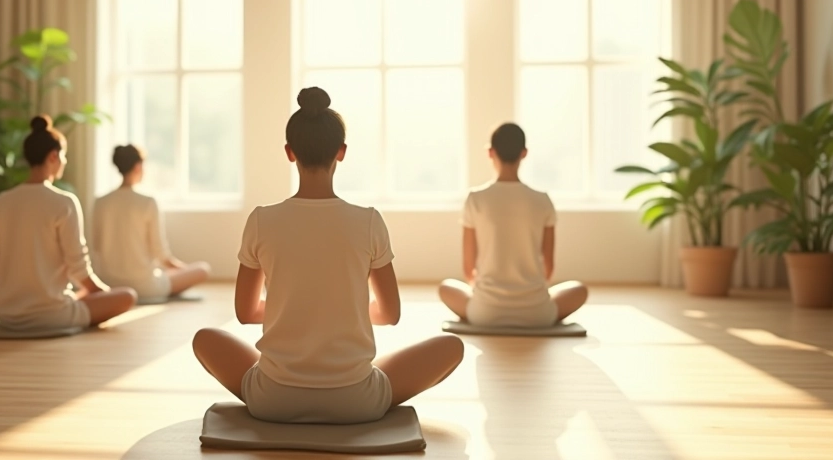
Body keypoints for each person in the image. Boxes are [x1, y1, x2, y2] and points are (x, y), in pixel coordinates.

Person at [192, 87, 464, 425]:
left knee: (205, 339)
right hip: (357, 401)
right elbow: (390, 313)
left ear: (290, 153)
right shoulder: (368, 221)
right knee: (451, 347)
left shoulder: (262, 220)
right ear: (342, 152)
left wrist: (292, 312)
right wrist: (343, 313)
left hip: (272, 399)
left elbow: (246, 313)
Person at [0, 115, 137, 330]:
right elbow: (79, 269)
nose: (65, 162)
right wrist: (106, 294)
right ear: (53, 157)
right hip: (52, 315)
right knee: (127, 296)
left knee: (81, 296)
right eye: (64, 156)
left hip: (7, 314)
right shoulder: (63, 202)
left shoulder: (2, 201)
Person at [438, 123, 588, 327]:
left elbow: (468, 268)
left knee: (445, 288)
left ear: (490, 152)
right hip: (538, 314)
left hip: (484, 312)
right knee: (579, 290)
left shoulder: (475, 199)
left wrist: (487, 293)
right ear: (524, 153)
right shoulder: (542, 200)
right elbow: (548, 269)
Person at [91, 144, 210, 299]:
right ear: (138, 166)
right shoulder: (147, 202)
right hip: (145, 286)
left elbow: (96, 247)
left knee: (166, 273)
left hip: (109, 285)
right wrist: (183, 270)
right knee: (202, 269)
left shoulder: (100, 202)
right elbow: (161, 254)